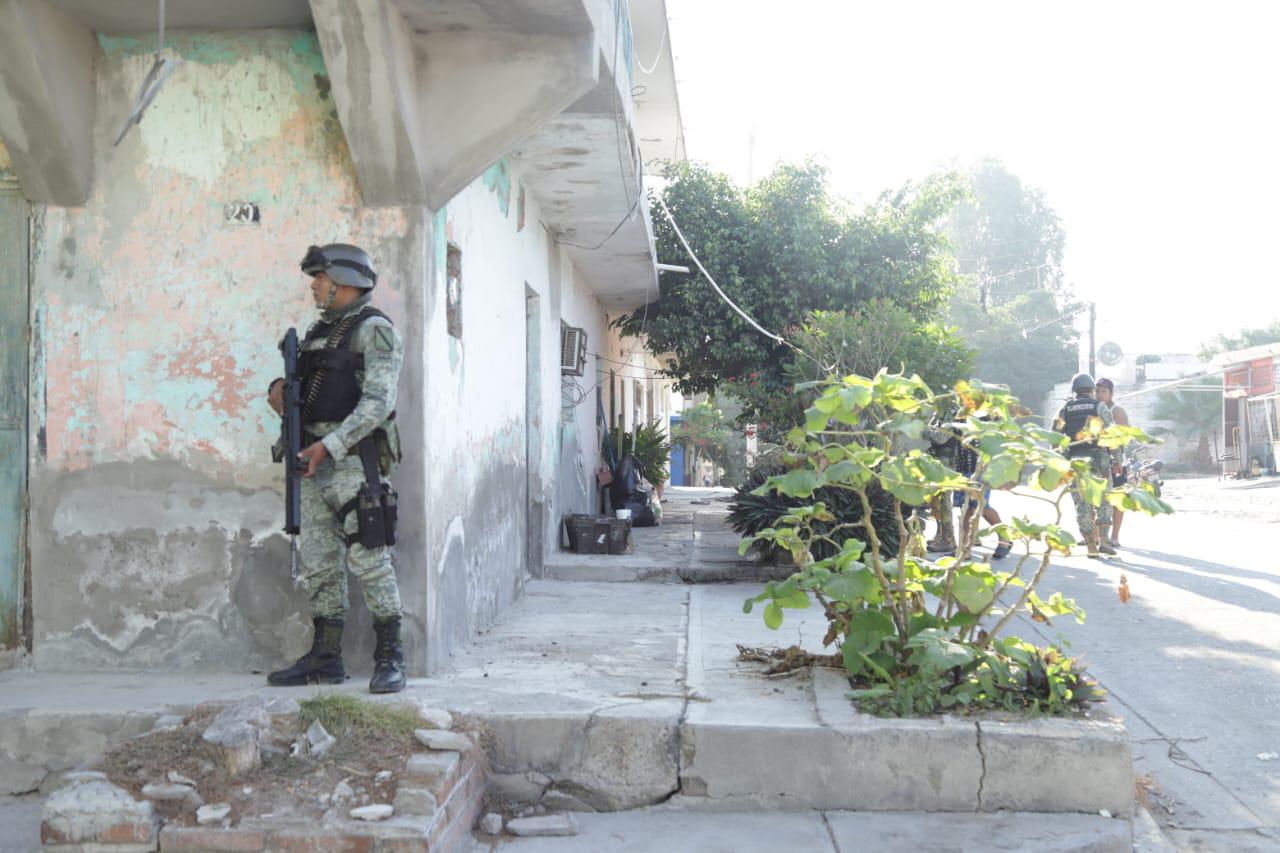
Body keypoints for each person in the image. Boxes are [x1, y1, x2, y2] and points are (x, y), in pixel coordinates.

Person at [266, 243, 407, 693]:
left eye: (320, 278)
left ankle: (391, 656)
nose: (313, 285)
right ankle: (326, 658)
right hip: (311, 462)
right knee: (321, 564)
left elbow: (378, 404)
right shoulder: (316, 332)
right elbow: (308, 394)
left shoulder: (375, 331)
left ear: (344, 283)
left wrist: (330, 446)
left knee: (370, 559)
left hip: (352, 462)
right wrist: (279, 392)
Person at [1054, 373, 1116, 558]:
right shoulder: (1100, 407)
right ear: (1091, 390)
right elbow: (1113, 434)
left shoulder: (1064, 409)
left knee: (1082, 504)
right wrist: (1118, 458)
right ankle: (1104, 540)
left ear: (1074, 389)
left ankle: (1090, 545)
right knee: (1104, 500)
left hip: (1076, 463)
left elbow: (1056, 439)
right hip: (1100, 460)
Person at [1095, 378, 1129, 548]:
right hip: (1098, 462)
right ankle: (1094, 535)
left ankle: (1114, 536)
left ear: (1111, 393)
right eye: (1098, 391)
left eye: (1104, 391)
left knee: (1117, 500)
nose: (1100, 395)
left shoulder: (1117, 411)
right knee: (1095, 500)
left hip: (1117, 463)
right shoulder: (1094, 409)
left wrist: (1116, 457)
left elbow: (1124, 437)